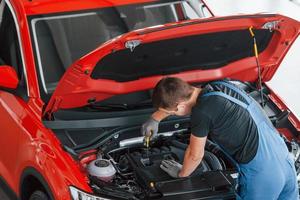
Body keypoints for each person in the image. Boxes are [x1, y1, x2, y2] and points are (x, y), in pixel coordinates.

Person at [141, 77, 298, 200]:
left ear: (180, 106)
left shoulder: (202, 112)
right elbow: (175, 98)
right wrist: (156, 118)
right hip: (283, 158)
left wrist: (181, 173)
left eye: (172, 113)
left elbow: (195, 156)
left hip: (263, 175)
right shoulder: (218, 85)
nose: (173, 115)